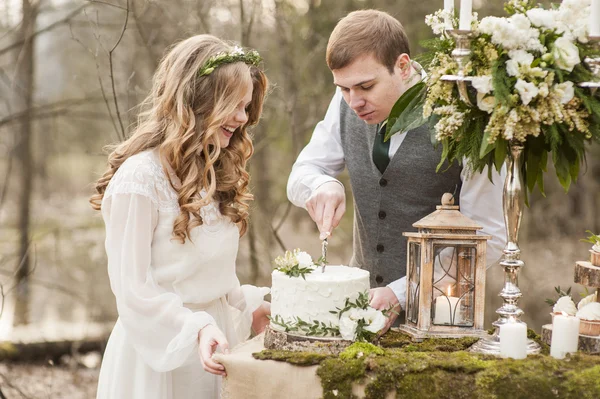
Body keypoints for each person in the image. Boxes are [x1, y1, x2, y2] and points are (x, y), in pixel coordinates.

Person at [287, 10, 506, 332]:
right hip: (359, 314)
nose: (354, 101)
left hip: (443, 322)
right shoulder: (345, 99)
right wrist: (322, 185)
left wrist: (403, 293)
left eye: (366, 86)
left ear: (403, 67)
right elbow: (305, 169)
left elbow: (490, 235)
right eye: (344, 88)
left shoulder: (466, 111)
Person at [90, 34, 270, 399]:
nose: (242, 118)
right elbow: (133, 290)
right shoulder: (139, 179)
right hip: (159, 358)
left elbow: (206, 273)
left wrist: (247, 304)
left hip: (216, 348)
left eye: (246, 106)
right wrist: (197, 327)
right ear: (198, 100)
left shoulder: (212, 169)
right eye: (234, 105)